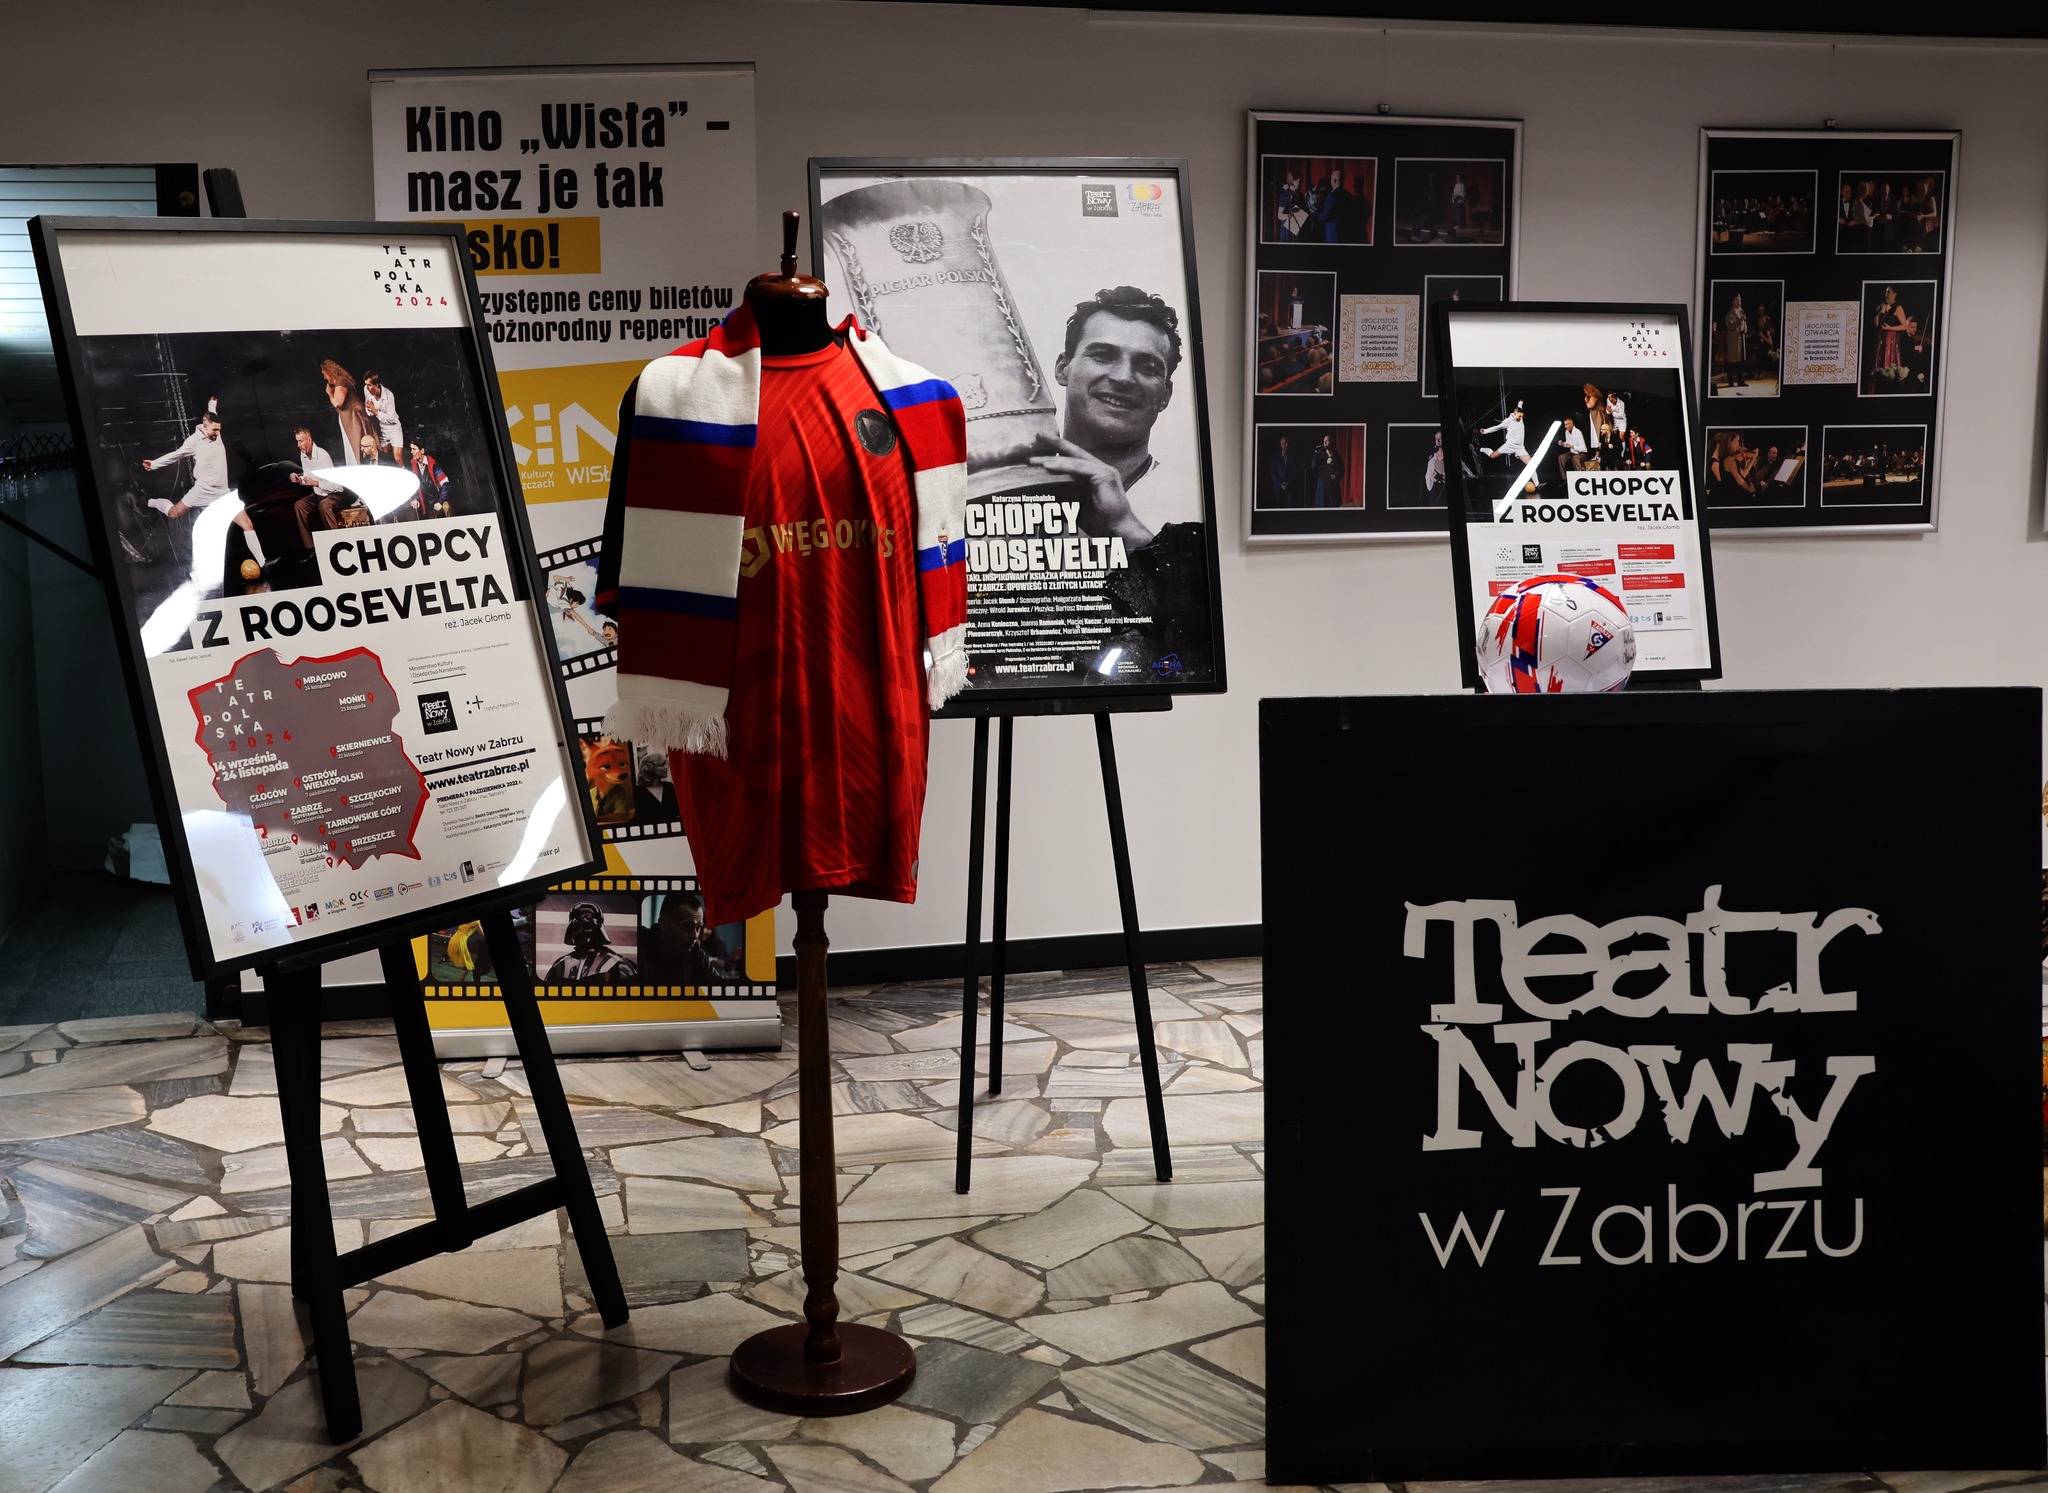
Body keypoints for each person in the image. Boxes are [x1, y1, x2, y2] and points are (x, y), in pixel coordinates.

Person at [1026, 285, 1183, 550]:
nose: (1123, 378)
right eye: (1102, 356)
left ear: (1165, 395)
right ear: (1063, 369)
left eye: (1148, 367)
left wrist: (1126, 527)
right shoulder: (1010, 489)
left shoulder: (1188, 502)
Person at [141, 401, 272, 571]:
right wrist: (154, 464)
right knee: (173, 513)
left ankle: (263, 563)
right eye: (214, 430)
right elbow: (176, 455)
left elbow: (211, 411)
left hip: (222, 493)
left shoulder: (215, 431)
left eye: (219, 430)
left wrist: (212, 403)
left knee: (247, 524)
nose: (217, 434)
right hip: (201, 491)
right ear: (204, 424)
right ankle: (151, 502)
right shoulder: (193, 441)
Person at [642, 891, 739, 985]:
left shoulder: (696, 953)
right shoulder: (640, 943)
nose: (695, 936)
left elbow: (721, 985)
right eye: (687, 926)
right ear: (663, 924)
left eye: (699, 927)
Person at [544, 903, 639, 983]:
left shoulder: (617, 964)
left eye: (587, 927)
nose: (583, 932)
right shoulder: (560, 965)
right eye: (578, 927)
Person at [322, 361, 381, 466]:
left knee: (357, 448)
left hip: (353, 419)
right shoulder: (341, 381)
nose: (324, 377)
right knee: (353, 449)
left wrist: (330, 394)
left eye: (324, 374)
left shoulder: (341, 381)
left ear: (330, 372)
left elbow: (337, 403)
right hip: (350, 418)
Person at [362, 372, 402, 457]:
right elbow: (369, 412)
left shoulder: (389, 395)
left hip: (394, 429)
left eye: (369, 385)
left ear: (376, 385)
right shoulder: (366, 389)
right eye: (366, 385)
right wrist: (372, 410)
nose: (367, 388)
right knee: (385, 458)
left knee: (397, 458)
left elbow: (391, 418)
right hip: (382, 431)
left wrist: (376, 412)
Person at [408, 440, 452, 516]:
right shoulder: (412, 466)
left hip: (438, 501)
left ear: (422, 451)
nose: (411, 452)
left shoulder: (433, 464)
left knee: (447, 507)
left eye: (414, 449)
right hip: (425, 505)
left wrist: (440, 502)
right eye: (411, 449)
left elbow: (446, 484)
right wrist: (414, 499)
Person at [1722, 293, 1749, 389]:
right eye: (1737, 300)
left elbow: (1745, 325)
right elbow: (1730, 327)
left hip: (1741, 341)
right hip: (1733, 342)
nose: (1739, 302)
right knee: (1732, 362)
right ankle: (1730, 382)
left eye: (1740, 300)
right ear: (1733, 302)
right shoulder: (1729, 315)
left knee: (1740, 362)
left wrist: (1745, 329)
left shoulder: (1742, 312)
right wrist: (1739, 321)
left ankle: (1740, 381)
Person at [1312, 431, 1346, 507]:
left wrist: (1336, 476)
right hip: (1322, 486)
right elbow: (1313, 467)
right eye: (1324, 441)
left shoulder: (1337, 457)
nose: (1325, 443)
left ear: (1332, 442)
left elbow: (1342, 470)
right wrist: (1315, 456)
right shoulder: (1321, 455)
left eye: (1327, 441)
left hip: (1333, 486)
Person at [1264, 433, 1296, 507]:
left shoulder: (1292, 457)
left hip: (1289, 487)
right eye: (1285, 443)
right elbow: (1273, 472)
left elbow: (1294, 472)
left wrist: (1288, 483)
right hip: (1278, 487)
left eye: (1287, 443)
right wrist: (1280, 484)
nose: (1287, 445)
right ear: (1281, 445)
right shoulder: (1276, 457)